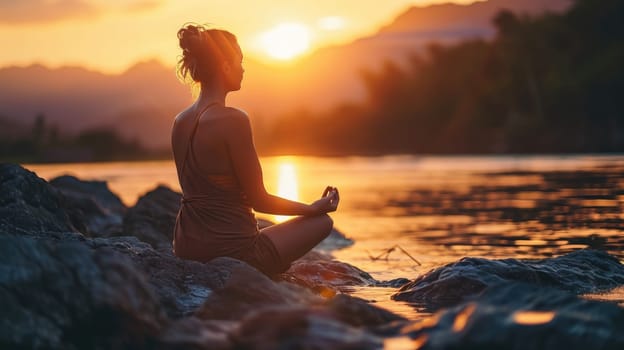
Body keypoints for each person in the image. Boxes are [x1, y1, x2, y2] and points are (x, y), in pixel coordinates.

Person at [171, 24, 340, 275]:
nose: (242, 69)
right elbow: (259, 199)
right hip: (235, 252)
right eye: (239, 61)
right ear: (224, 66)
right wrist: (313, 208)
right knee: (322, 223)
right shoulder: (233, 119)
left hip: (186, 246)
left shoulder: (180, 121)